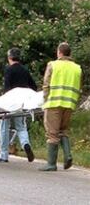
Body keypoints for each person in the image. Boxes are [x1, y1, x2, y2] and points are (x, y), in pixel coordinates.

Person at [39, 42, 82, 171]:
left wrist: (45, 100)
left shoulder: (53, 65)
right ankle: (68, 155)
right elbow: (79, 87)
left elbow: (46, 84)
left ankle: (51, 164)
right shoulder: (77, 68)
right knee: (63, 131)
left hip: (54, 103)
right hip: (69, 104)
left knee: (52, 133)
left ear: (59, 52)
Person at [0, 48, 36, 163]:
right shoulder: (24, 70)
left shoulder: (9, 70)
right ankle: (25, 144)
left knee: (4, 127)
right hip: (21, 103)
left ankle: (4, 155)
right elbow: (33, 86)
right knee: (21, 127)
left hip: (10, 103)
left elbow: (7, 87)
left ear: (9, 58)